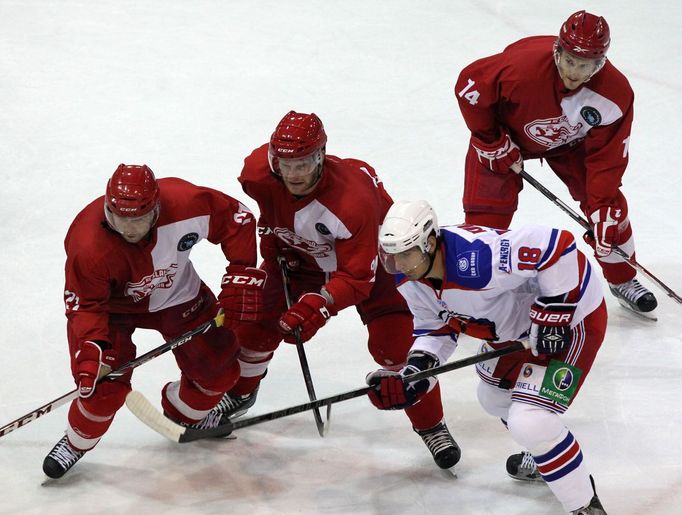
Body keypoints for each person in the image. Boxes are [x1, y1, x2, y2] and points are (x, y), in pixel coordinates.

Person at [367, 199, 618, 515]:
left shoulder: (480, 259)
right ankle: (549, 459)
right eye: (392, 257)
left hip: (572, 323)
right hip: (514, 335)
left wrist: (555, 311)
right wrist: (414, 375)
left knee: (530, 421)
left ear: (430, 242)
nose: (398, 266)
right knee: (493, 397)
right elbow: (435, 329)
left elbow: (558, 245)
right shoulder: (411, 278)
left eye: (405, 255)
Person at [217, 110, 460, 470]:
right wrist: (270, 251)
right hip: (298, 263)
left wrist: (318, 304)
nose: (294, 174)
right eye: (285, 163)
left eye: (304, 163)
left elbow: (357, 279)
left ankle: (431, 425)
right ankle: (239, 395)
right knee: (253, 328)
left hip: (376, 269)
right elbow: (264, 215)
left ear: (322, 156)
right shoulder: (256, 174)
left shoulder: (352, 203)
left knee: (395, 350)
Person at [43, 163, 266, 479]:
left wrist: (242, 273)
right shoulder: (87, 243)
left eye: (139, 219)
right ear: (108, 207)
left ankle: (184, 414)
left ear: (157, 209)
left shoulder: (185, 202)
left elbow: (237, 219)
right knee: (100, 389)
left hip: (177, 296)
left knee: (218, 368)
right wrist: (92, 349)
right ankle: (76, 442)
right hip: (112, 312)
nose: (129, 228)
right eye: (119, 218)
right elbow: (86, 307)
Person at [454, 9, 657, 317]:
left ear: (600, 63)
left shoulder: (614, 94)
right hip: (505, 139)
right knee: (486, 219)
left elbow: (608, 157)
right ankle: (473, 292)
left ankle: (623, 278)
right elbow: (469, 87)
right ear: (557, 51)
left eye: (585, 65)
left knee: (608, 214)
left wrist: (600, 205)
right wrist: (489, 139)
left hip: (570, 145)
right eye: (570, 61)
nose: (574, 72)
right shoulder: (521, 68)